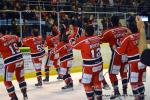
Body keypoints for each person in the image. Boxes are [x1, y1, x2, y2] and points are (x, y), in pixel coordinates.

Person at [115, 16, 147, 100]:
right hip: (143, 61)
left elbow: (121, 51)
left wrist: (115, 48)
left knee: (134, 83)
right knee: (140, 81)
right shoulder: (141, 34)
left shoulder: (127, 38)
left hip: (134, 64)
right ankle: (142, 96)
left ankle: (137, 97)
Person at [99, 15, 129, 99]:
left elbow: (100, 39)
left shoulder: (108, 32)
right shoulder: (124, 28)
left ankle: (116, 92)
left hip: (116, 55)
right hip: (126, 55)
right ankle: (125, 91)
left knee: (112, 74)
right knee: (124, 73)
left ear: (111, 22)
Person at [73, 26, 103, 100]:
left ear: (85, 32)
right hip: (99, 63)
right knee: (97, 82)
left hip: (89, 66)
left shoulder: (82, 40)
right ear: (93, 32)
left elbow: (73, 45)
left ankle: (91, 98)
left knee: (86, 83)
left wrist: (73, 36)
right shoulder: (97, 37)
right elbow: (101, 40)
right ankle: (99, 97)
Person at [0, 27, 28, 100]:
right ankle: (25, 95)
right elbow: (20, 44)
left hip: (10, 62)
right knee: (21, 78)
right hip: (20, 59)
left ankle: (13, 97)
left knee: (7, 81)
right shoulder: (14, 36)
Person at [54, 25, 73, 90]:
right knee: (67, 73)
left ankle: (68, 84)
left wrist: (56, 48)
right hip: (70, 59)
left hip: (65, 60)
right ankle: (71, 83)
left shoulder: (61, 44)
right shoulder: (69, 43)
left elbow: (55, 51)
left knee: (62, 74)